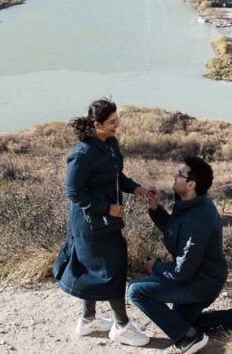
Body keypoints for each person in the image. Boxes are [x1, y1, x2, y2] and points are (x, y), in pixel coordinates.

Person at [128, 155, 232, 354]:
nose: (175, 176)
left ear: (191, 184)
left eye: (179, 174)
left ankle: (188, 340)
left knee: (135, 290)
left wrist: (156, 267)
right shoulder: (190, 204)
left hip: (200, 282)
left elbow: (181, 271)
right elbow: (175, 231)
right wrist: (155, 207)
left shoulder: (198, 218)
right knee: (180, 322)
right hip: (202, 278)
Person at [53, 99, 155, 347]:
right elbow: (74, 193)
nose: (116, 124)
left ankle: (88, 320)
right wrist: (107, 208)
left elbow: (116, 176)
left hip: (108, 219)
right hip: (90, 222)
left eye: (117, 119)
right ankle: (121, 326)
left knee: (95, 267)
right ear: (97, 125)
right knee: (113, 267)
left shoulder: (110, 143)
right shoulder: (82, 154)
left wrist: (137, 189)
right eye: (111, 122)